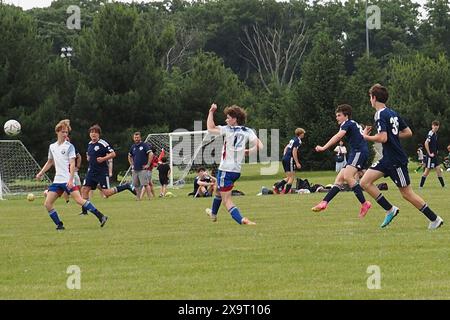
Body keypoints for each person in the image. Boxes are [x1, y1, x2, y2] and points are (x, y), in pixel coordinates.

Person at [359, 84, 443, 229]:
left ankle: (435, 219)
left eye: (370, 97)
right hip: (387, 159)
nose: (370, 100)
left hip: (395, 160)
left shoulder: (380, 114)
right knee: (364, 182)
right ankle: (390, 209)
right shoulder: (392, 113)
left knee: (407, 193)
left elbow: (383, 138)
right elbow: (408, 132)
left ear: (374, 98)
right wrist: (392, 135)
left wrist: (365, 136)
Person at [36, 119, 108, 230]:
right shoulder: (52, 147)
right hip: (57, 181)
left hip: (67, 180)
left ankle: (101, 216)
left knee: (79, 200)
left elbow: (72, 163)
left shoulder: (69, 146)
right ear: (57, 132)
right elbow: (50, 161)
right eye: (63, 132)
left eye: (66, 132)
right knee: (47, 204)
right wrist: (41, 173)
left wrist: (70, 180)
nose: (65, 134)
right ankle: (59, 225)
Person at [205, 103, 263, 225]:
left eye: (228, 118)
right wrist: (248, 151)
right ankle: (213, 214)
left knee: (227, 200)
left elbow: (210, 128)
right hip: (236, 171)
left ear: (235, 119)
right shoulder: (248, 131)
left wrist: (211, 111)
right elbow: (260, 146)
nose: (226, 120)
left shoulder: (227, 129)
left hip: (226, 169)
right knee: (218, 190)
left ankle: (242, 220)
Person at [311, 104, 372, 218]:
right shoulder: (353, 123)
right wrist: (365, 132)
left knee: (348, 177)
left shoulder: (347, 124)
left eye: (339, 115)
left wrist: (324, 147)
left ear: (346, 116)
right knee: (339, 180)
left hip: (358, 152)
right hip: (357, 152)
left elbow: (338, 136)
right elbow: (360, 136)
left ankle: (365, 203)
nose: (337, 118)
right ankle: (324, 202)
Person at [80, 124, 136, 214]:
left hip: (101, 172)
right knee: (84, 189)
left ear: (99, 134)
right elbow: (90, 155)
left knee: (106, 193)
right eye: (91, 132)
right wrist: (89, 158)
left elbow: (113, 154)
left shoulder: (103, 143)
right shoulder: (89, 144)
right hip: (91, 171)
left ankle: (126, 186)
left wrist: (103, 159)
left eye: (95, 132)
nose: (93, 134)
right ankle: (84, 212)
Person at [273, 128, 305, 194]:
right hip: (289, 158)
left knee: (288, 177)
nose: (304, 135)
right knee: (291, 177)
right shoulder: (298, 141)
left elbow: (286, 147)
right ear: (300, 134)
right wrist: (297, 162)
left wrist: (285, 155)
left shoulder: (293, 139)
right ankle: (285, 193)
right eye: (303, 133)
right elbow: (294, 151)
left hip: (285, 158)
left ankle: (276, 187)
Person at [419, 121, 445, 188]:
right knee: (427, 171)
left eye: (437, 128)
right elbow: (426, 143)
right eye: (435, 127)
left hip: (435, 155)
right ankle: (421, 186)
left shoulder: (435, 134)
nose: (436, 129)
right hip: (430, 156)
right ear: (432, 126)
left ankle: (443, 186)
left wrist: (436, 151)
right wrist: (429, 153)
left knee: (438, 170)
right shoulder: (431, 133)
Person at [128, 132, 153, 200]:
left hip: (142, 169)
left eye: (137, 137)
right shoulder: (133, 146)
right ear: (133, 138)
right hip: (135, 169)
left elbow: (151, 154)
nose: (136, 139)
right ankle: (138, 198)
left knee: (145, 184)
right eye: (135, 137)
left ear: (140, 137)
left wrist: (148, 164)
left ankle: (150, 198)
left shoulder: (144, 145)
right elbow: (129, 156)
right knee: (136, 185)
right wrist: (131, 164)